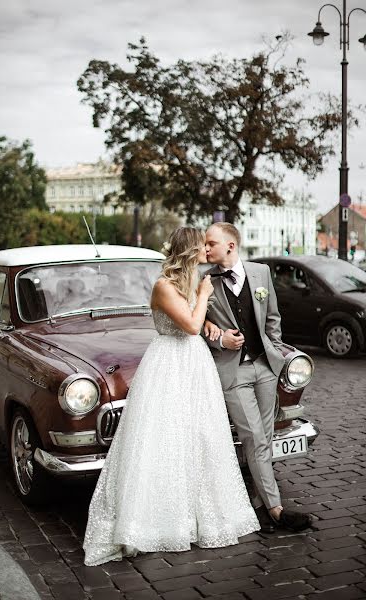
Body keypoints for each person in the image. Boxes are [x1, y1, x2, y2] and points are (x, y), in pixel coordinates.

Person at [83, 227, 259, 566]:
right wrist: (205, 297)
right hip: (168, 364)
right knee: (164, 438)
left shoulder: (195, 280)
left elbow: (203, 326)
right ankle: (158, 521)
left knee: (201, 436)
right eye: (202, 245)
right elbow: (190, 326)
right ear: (189, 251)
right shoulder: (164, 286)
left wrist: (218, 332)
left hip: (196, 364)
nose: (208, 250)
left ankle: (201, 515)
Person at [204, 222, 311, 534]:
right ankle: (276, 509)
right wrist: (219, 340)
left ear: (231, 246)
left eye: (211, 243)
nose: (206, 249)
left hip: (265, 367)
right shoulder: (203, 279)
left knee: (264, 437)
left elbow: (273, 316)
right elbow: (195, 324)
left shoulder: (261, 273)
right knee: (254, 437)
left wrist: (275, 351)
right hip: (232, 369)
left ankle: (256, 503)